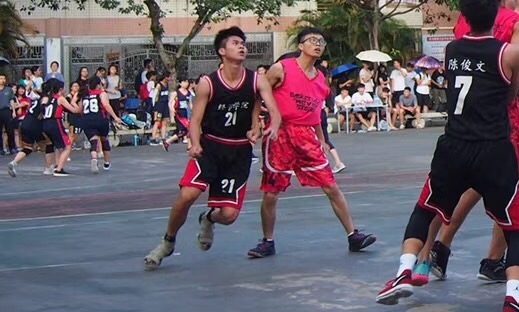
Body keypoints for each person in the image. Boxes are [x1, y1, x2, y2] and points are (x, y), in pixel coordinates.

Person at [375, 0, 519, 312]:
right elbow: (511, 95)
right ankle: (513, 300)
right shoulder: (509, 54)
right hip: (493, 149)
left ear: (464, 16)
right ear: (499, 14)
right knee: (515, 226)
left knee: (424, 210)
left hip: (454, 146)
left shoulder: (452, 49)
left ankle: (404, 270)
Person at [143, 28, 283, 270]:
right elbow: (195, 120)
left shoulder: (256, 80)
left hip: (238, 151)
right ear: (222, 51)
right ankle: (167, 242)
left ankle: (208, 218)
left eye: (243, 43)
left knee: (228, 216)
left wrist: (272, 127)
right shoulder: (208, 83)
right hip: (210, 147)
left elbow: (274, 110)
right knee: (187, 195)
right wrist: (195, 143)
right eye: (235, 43)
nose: (242, 46)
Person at [247, 30, 376, 259]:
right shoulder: (282, 68)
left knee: (331, 186)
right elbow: (259, 95)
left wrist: (322, 140)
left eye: (321, 42)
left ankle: (353, 235)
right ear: (301, 46)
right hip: (281, 134)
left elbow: (315, 113)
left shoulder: (320, 79)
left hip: (306, 135)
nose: (318, 45)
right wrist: (255, 124)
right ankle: (267, 241)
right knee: (272, 191)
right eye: (313, 41)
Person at [79, 76, 125, 173]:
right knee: (104, 139)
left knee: (93, 141)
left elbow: (80, 109)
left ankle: (94, 158)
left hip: (87, 120)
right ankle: (106, 162)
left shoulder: (84, 95)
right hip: (100, 118)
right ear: (98, 85)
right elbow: (106, 105)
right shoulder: (101, 94)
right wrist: (115, 117)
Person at [0, 75, 15, 157]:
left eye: (4, 78)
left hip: (7, 111)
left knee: (10, 130)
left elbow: (11, 100)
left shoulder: (9, 90)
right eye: (1, 78)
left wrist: (13, 111)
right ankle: (1, 149)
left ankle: (12, 147)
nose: (2, 80)